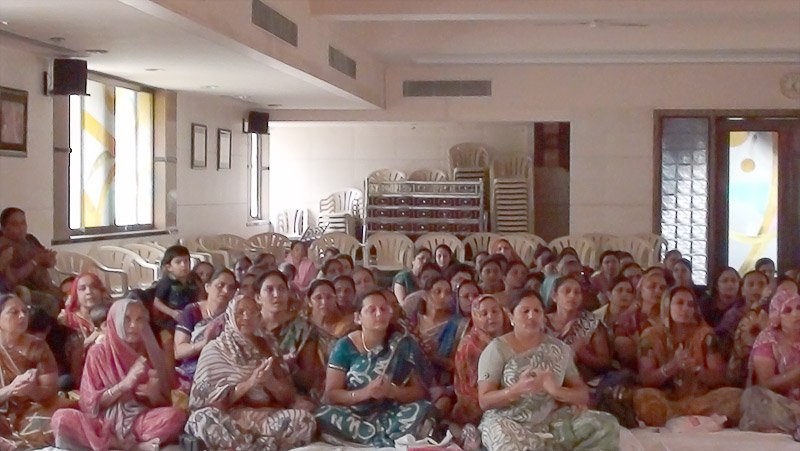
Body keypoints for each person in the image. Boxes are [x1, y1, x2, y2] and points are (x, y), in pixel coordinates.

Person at [477, 291, 619, 451]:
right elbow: (484, 401)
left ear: (544, 317)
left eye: (537, 311)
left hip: (551, 421)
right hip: (508, 422)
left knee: (606, 424)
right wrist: (516, 390)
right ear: (511, 317)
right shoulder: (497, 349)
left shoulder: (559, 349)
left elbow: (582, 395)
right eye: (525, 311)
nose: (532, 316)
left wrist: (555, 390)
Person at [51, 298, 187, 450]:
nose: (133, 325)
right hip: (101, 423)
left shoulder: (147, 352)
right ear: (113, 322)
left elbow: (162, 402)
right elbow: (89, 404)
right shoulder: (98, 353)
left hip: (137, 421)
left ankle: (120, 444)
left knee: (176, 417)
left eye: (139, 319)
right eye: (127, 319)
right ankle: (128, 446)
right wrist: (124, 385)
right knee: (61, 418)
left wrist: (153, 394)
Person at [184, 296, 316, 450]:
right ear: (230, 316)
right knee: (201, 420)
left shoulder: (269, 346)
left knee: (304, 421)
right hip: (229, 420)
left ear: (259, 316)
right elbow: (204, 402)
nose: (247, 317)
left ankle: (253, 447)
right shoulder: (215, 349)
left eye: (252, 312)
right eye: (241, 312)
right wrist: (250, 383)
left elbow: (288, 397)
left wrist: (270, 383)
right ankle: (260, 446)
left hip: (264, 419)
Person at [314, 290, 435, 447]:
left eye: (384, 309)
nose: (379, 314)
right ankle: (385, 439)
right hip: (354, 415)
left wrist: (393, 392)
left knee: (424, 408)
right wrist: (365, 393)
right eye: (372, 310)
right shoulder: (344, 346)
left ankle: (376, 439)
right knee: (324, 415)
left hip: (392, 413)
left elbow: (420, 392)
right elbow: (331, 394)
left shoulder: (402, 344)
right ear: (358, 318)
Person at [633, 286, 742, 427]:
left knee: (736, 396)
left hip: (699, 400)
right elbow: (646, 379)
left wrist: (696, 369)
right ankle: (689, 419)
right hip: (667, 400)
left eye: (690, 305)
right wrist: (672, 367)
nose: (685, 309)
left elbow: (719, 378)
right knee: (642, 397)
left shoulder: (705, 335)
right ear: (667, 306)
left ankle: (679, 418)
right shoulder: (650, 336)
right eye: (679, 303)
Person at [0, 294, 64, 449]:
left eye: (25, 311)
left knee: (55, 423)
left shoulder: (38, 347)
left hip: (31, 408)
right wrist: (10, 390)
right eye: (14, 312)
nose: (22, 316)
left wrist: (32, 390)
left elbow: (49, 391)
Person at [740, 293, 800, 437]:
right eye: (787, 310)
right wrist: (797, 374)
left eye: (799, 307)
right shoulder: (768, 339)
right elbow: (765, 383)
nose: (796, 314)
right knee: (753, 397)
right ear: (778, 316)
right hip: (780, 403)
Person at [255, 271, 323, 398]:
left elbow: (307, 379)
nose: (277, 294)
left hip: (292, 394)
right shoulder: (249, 327)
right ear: (258, 298)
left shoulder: (304, 329)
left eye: (281, 289)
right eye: (269, 289)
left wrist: (283, 367)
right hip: (252, 393)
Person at [174, 268, 238, 389]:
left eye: (231, 288)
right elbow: (179, 352)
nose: (226, 291)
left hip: (224, 371)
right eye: (220, 285)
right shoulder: (192, 311)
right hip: (193, 371)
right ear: (207, 287)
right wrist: (204, 343)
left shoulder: (235, 315)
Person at [415, 276, 468, 415]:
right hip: (414, 379)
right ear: (425, 295)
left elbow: (460, 366)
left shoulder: (459, 325)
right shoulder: (413, 321)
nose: (443, 296)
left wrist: (434, 357)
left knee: (442, 404)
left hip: (444, 384)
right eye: (437, 291)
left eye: (447, 292)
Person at [452, 294, 506, 426]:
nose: (491, 317)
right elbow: (472, 387)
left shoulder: (510, 338)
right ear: (475, 316)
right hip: (476, 405)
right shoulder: (470, 346)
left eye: (495, 311)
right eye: (484, 313)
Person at [546, 276, 612, 379]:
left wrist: (583, 353)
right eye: (567, 291)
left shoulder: (591, 322)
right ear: (554, 296)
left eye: (577, 292)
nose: (572, 295)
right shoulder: (541, 322)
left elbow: (604, 363)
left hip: (582, 379)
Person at [0, 207, 60, 317]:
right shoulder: (4, 247)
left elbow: (49, 262)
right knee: (51, 301)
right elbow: (12, 279)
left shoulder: (30, 239)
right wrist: (35, 261)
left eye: (23, 223)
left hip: (47, 285)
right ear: (4, 228)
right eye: (15, 224)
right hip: (25, 291)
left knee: (73, 290)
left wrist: (49, 259)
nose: (21, 228)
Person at [60, 273, 112, 385]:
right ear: (76, 294)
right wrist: (91, 339)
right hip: (79, 371)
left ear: (101, 291)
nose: (89, 292)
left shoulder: (111, 314)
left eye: (94, 287)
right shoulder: (67, 319)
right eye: (82, 289)